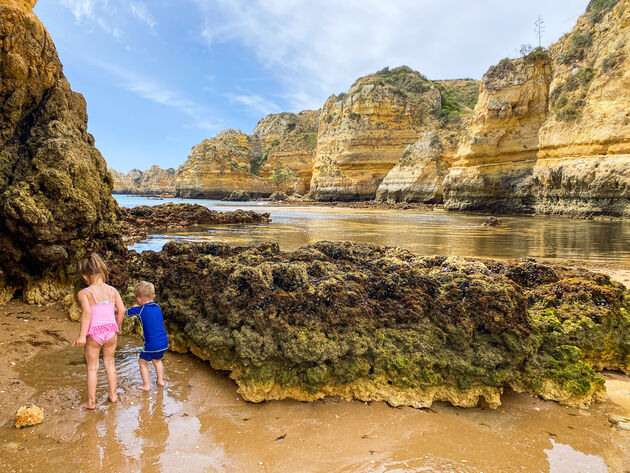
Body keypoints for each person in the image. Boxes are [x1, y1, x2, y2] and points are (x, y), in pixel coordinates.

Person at [73, 253, 126, 409]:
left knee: (92, 368)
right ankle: (113, 395)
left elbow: (87, 313)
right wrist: (116, 325)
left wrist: (82, 335)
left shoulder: (84, 293)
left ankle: (91, 402)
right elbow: (121, 310)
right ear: (103, 272)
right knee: (110, 364)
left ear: (85, 276)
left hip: (94, 334)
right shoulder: (113, 291)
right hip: (111, 332)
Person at [126, 281, 168, 390]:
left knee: (142, 362)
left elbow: (126, 312)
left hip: (151, 345)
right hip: (163, 342)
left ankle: (146, 385)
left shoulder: (140, 309)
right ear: (153, 296)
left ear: (139, 299)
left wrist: (114, 311)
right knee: (157, 361)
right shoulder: (157, 307)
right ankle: (160, 381)